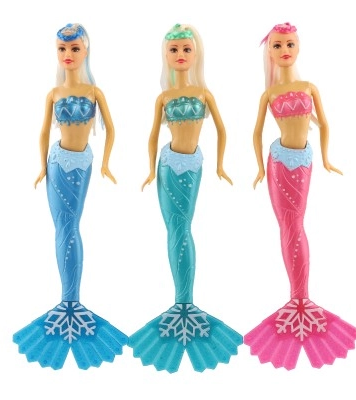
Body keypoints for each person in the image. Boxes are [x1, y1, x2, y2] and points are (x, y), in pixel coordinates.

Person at [244, 22, 356, 370]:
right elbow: (256, 132)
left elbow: (324, 124)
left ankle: (301, 297)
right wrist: (260, 168)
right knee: (290, 226)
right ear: (269, 52)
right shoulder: (268, 94)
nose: (284, 51)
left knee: (297, 225)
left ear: (298, 47)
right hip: (280, 162)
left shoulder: (310, 87)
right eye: (277, 46)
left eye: (289, 44)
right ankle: (298, 298)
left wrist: (326, 158)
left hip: (304, 161)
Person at [128, 23, 242, 373]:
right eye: (174, 50)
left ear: (196, 54)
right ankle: (182, 301)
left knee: (184, 228)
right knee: (176, 229)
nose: (180, 55)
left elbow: (222, 129)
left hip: (192, 166)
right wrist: (150, 170)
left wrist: (220, 165)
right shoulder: (162, 98)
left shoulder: (204, 94)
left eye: (186, 49)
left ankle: (185, 302)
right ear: (165, 56)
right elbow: (152, 135)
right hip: (167, 166)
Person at [12, 23, 128, 370]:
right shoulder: (53, 93)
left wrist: (105, 163)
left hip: (83, 164)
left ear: (86, 51)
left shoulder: (94, 91)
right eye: (62, 49)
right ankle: (69, 301)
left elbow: (111, 128)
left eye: (75, 48)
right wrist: (40, 167)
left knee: (71, 226)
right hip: (58, 163)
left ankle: (71, 301)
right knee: (64, 228)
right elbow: (43, 132)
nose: (68, 54)